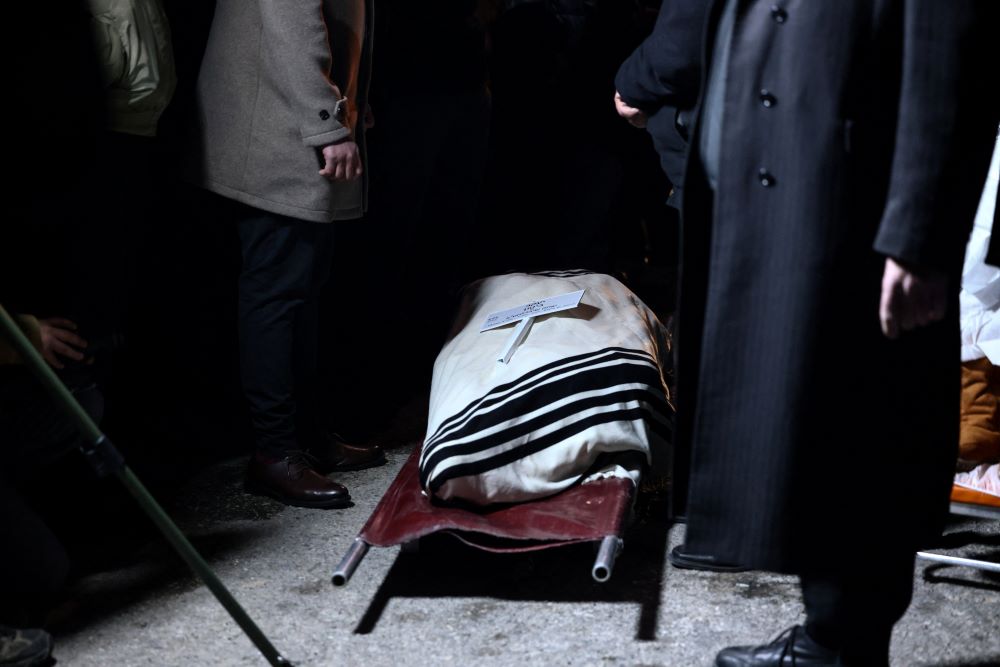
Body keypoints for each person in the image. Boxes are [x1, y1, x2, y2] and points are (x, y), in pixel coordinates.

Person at [616, 1, 999, 665]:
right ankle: (832, 633)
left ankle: (842, 640)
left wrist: (921, 234)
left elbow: (954, 40)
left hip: (858, 188)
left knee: (864, 422)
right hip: (789, 172)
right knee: (812, 417)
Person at [189, 0, 383, 509]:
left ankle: (305, 438)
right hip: (276, 128)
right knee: (276, 294)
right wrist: (327, 122)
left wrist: (348, 105)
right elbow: (291, 22)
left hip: (287, 119)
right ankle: (275, 454)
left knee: (302, 291)